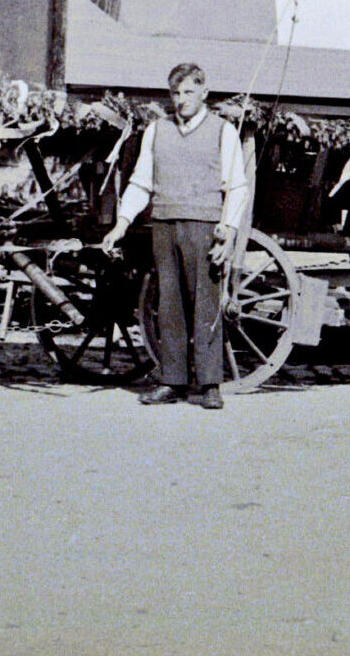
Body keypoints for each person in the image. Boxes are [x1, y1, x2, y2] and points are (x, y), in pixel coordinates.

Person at [100, 63, 250, 410]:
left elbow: (237, 186)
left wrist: (227, 228)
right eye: (175, 93)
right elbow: (141, 182)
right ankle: (173, 381)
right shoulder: (157, 131)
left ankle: (210, 383)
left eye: (188, 92)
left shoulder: (222, 131)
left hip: (204, 226)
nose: (181, 100)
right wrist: (121, 223)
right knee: (168, 304)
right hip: (165, 225)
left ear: (203, 93)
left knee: (205, 304)